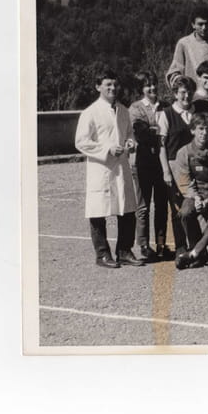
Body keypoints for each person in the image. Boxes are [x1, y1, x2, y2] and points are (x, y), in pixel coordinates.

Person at [74, 70, 143, 268]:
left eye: (115, 84)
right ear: (98, 87)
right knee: (98, 210)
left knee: (127, 208)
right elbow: (81, 142)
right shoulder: (90, 112)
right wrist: (107, 149)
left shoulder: (123, 110)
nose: (113, 88)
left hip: (121, 167)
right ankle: (102, 254)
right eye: (108, 85)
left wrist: (130, 142)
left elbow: (129, 133)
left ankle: (124, 251)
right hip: (101, 168)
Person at [172, 113, 208, 269]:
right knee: (185, 212)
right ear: (193, 130)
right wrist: (196, 198)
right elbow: (184, 183)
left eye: (207, 129)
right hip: (195, 193)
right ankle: (199, 251)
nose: (204, 133)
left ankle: (195, 252)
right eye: (200, 129)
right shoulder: (183, 153)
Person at [128, 71, 169, 262]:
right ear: (141, 89)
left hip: (161, 163)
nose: (152, 88)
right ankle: (144, 245)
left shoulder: (165, 106)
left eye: (153, 84)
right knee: (143, 206)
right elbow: (140, 133)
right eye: (147, 85)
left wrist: (154, 131)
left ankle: (161, 244)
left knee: (162, 206)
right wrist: (158, 132)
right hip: (142, 163)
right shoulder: (136, 108)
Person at [156, 76, 196, 257]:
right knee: (177, 208)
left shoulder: (196, 112)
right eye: (182, 92)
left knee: (193, 204)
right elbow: (161, 146)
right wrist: (166, 171)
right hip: (174, 166)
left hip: (194, 164)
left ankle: (196, 245)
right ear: (175, 94)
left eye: (189, 92)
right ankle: (180, 245)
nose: (186, 96)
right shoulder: (166, 114)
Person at [167, 5, 208, 88]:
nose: (204, 28)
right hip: (190, 92)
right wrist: (181, 84)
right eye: (200, 24)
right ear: (193, 25)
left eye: (207, 24)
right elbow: (175, 70)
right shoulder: (184, 43)